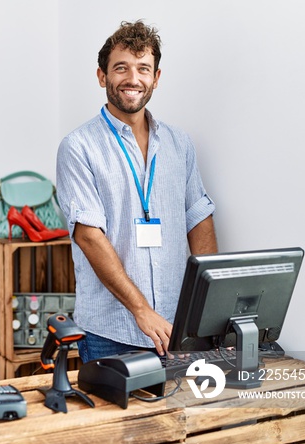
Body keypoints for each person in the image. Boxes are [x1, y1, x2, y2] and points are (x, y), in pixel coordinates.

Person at [56, 20, 218, 363]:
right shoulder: (78, 147)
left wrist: (210, 310)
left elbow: (199, 219)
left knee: (180, 416)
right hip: (112, 331)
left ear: (156, 78)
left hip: (178, 326)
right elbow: (88, 236)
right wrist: (141, 310)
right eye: (121, 68)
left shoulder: (179, 143)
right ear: (102, 76)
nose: (133, 79)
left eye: (143, 68)